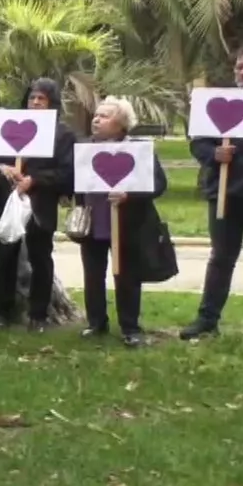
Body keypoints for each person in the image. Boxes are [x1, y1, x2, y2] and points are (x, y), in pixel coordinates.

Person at [75, 97, 169, 346]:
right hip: (94, 222)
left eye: (104, 116)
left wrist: (129, 195)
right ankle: (96, 323)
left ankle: (130, 328)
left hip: (128, 224)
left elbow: (159, 184)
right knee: (93, 275)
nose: (96, 119)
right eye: (96, 115)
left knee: (127, 277)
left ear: (122, 124)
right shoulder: (84, 149)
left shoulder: (138, 149)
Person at [0, 78, 74, 331]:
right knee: (5, 256)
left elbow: (66, 172)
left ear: (52, 103)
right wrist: (3, 168)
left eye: (41, 98)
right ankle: (2, 312)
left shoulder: (63, 134)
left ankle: (38, 315)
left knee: (40, 257)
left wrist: (33, 180)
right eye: (32, 98)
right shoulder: (10, 127)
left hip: (40, 203)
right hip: (9, 200)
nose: (35, 102)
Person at [182, 46, 243, 340]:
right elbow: (198, 144)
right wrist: (214, 153)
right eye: (239, 67)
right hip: (225, 194)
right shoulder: (218, 103)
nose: (242, 72)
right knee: (221, 258)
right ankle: (207, 319)